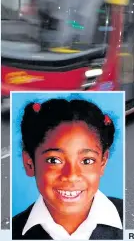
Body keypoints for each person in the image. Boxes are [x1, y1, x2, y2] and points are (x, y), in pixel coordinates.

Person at [12, 99, 123, 240]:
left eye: (87, 161)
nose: (71, 175)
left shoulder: (127, 217)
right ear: (29, 163)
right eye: (54, 160)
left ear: (102, 163)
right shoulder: (12, 232)